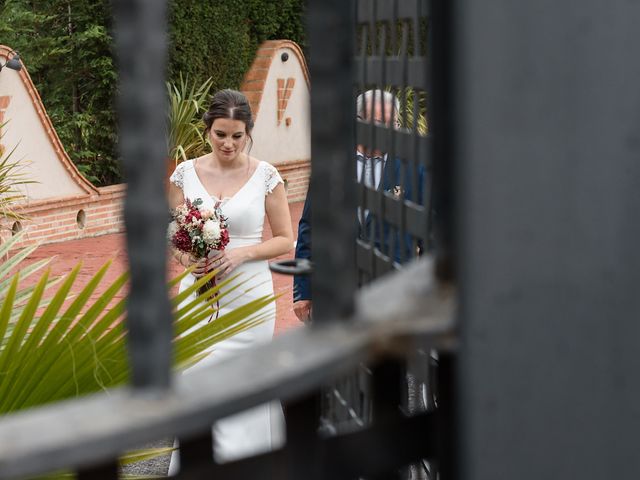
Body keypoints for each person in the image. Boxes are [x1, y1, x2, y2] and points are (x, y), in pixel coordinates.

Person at [167, 89, 294, 468]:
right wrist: (187, 257)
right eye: (221, 134)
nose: (228, 143)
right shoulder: (184, 174)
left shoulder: (267, 176)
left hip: (249, 295)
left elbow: (286, 239)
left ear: (248, 132)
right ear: (207, 130)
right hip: (198, 293)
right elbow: (172, 232)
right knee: (199, 378)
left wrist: (241, 253)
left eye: (237, 135)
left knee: (244, 381)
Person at [292, 89, 424, 322]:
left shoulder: (413, 168)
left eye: (392, 122)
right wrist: (302, 291)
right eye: (378, 122)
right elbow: (310, 227)